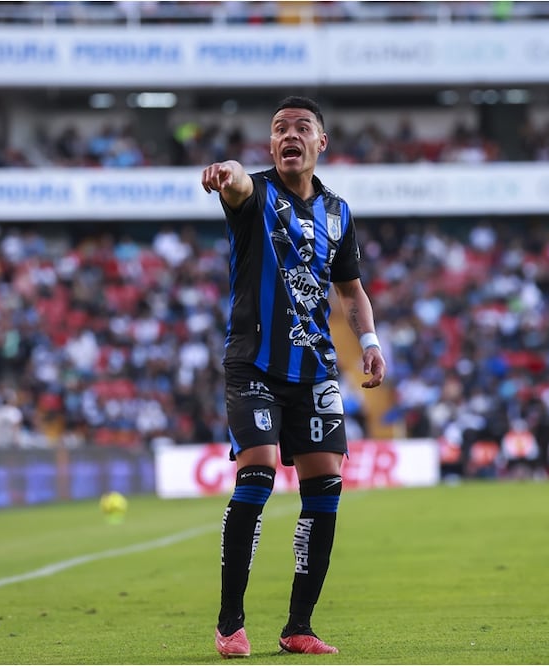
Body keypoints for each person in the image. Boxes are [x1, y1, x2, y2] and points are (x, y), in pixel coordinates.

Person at [200, 96, 387, 658]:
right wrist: (224, 172)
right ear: (271, 144)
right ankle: (231, 623)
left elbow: (350, 290)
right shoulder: (255, 194)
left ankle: (298, 626)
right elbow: (234, 183)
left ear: (320, 143)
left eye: (301, 127)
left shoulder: (338, 212)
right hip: (253, 362)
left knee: (325, 488)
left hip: (315, 370)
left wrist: (370, 343)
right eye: (280, 128)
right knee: (256, 472)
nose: (289, 135)